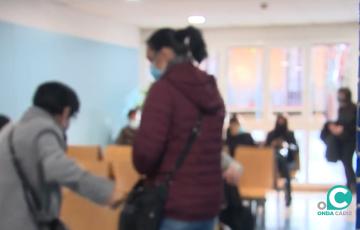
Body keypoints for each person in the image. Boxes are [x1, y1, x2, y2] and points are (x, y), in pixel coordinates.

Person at [133, 26, 225, 230]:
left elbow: (145, 156)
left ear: (165, 53)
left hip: (174, 203)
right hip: (209, 203)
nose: (151, 67)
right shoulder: (210, 88)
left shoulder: (163, 91)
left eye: (151, 59)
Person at [0, 82, 122, 230]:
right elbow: (60, 168)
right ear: (65, 112)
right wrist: (108, 192)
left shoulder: (10, 131)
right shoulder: (43, 128)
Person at [327, 87, 357, 191]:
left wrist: (343, 128)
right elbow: (340, 122)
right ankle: (350, 183)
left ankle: (352, 183)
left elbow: (353, 125)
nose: (340, 97)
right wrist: (334, 127)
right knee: (345, 162)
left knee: (347, 161)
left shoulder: (354, 108)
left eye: (342, 95)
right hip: (342, 140)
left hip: (351, 140)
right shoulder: (341, 109)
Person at [265, 114, 298, 207]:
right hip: (272, 162)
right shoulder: (271, 134)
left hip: (287, 160)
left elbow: (295, 148)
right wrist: (273, 144)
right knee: (277, 156)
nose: (280, 123)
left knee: (283, 162)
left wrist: (286, 145)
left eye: (282, 121)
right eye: (279, 120)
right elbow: (265, 149)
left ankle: (288, 194)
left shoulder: (290, 134)